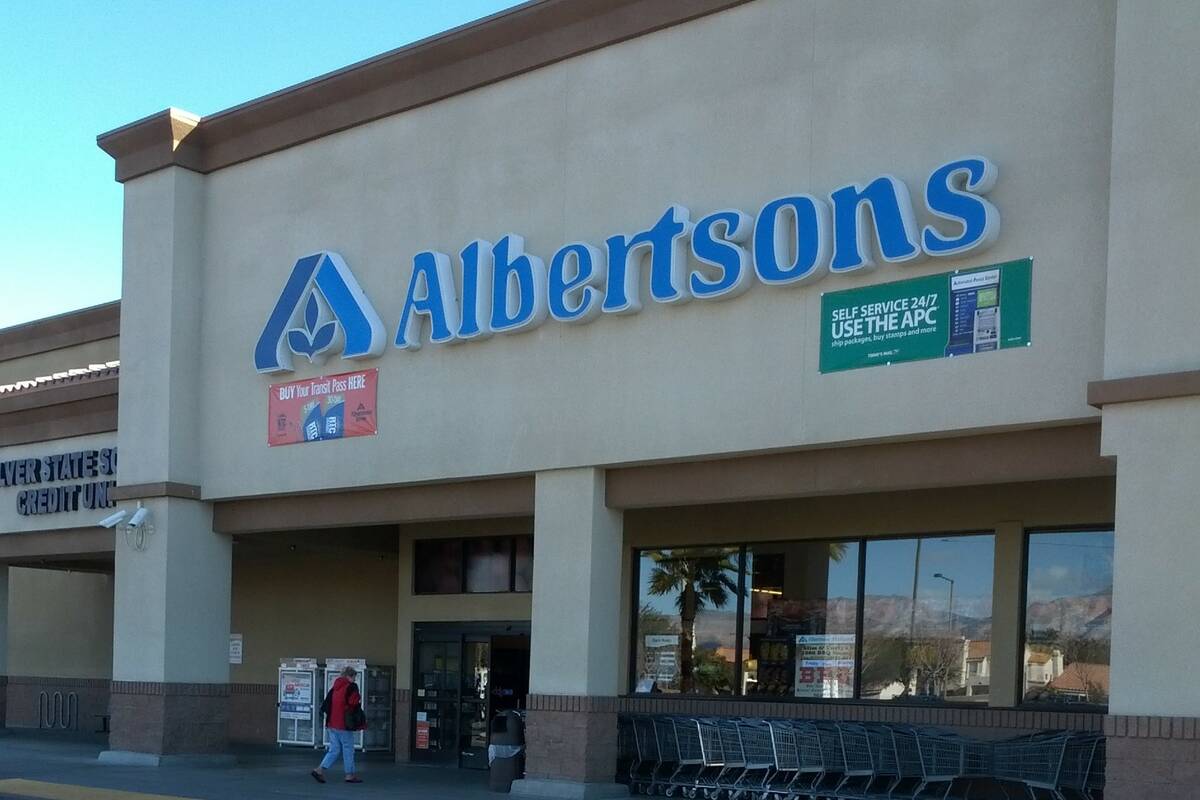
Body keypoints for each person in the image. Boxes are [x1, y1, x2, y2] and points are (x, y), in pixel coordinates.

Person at [311, 666, 366, 784]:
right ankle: (349, 774)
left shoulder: (334, 688)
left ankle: (320, 769)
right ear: (349, 676)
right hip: (344, 724)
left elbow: (326, 704)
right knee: (348, 749)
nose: (354, 680)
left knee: (334, 749)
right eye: (353, 677)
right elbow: (353, 702)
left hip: (332, 723)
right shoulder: (351, 687)